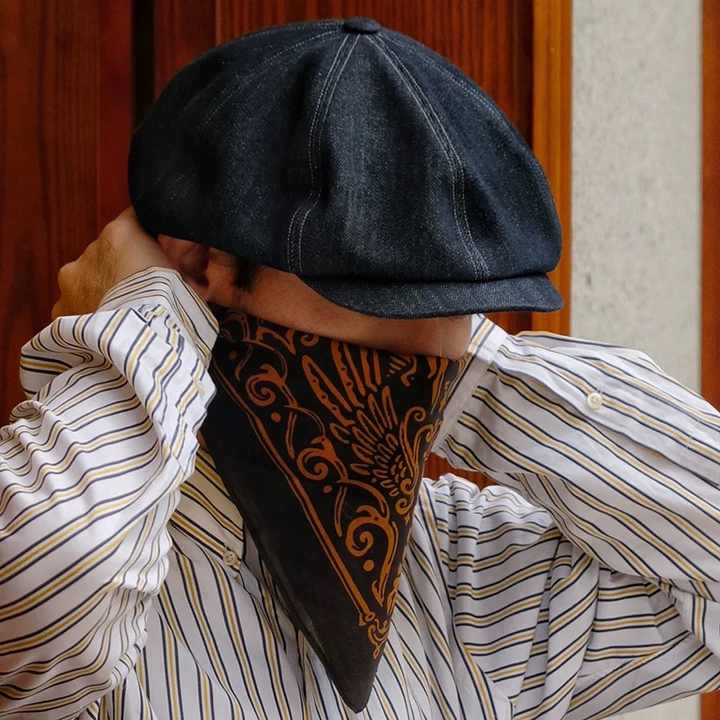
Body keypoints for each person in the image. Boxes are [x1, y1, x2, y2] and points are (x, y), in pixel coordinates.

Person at [3, 17, 720, 720]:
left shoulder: (461, 573)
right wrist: (147, 315)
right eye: (376, 294)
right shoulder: (108, 583)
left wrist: (477, 377)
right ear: (199, 264)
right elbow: (45, 579)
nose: (434, 348)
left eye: (457, 304)